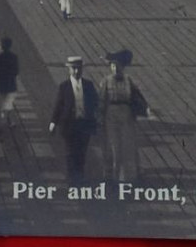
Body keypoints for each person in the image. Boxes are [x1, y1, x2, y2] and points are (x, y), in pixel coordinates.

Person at [98, 49, 149, 185]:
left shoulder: (128, 81)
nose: (115, 69)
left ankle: (127, 177)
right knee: (114, 146)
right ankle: (111, 175)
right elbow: (102, 100)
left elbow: (136, 97)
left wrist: (141, 109)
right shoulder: (106, 82)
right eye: (113, 66)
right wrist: (100, 117)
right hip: (111, 114)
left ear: (122, 67)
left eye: (117, 66)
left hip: (126, 115)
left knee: (127, 145)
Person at [49, 56, 100, 184]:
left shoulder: (88, 85)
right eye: (74, 69)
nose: (77, 72)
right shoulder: (64, 86)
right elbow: (59, 105)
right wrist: (53, 122)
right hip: (69, 125)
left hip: (84, 124)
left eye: (79, 69)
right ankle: (71, 177)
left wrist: (98, 118)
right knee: (70, 152)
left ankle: (80, 175)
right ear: (69, 70)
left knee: (82, 152)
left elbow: (95, 102)